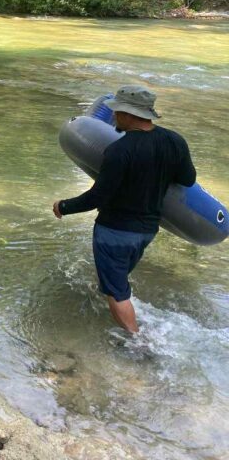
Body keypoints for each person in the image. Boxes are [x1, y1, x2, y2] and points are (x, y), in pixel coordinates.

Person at [52, 85, 196, 333]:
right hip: (147, 231)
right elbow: (187, 179)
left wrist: (63, 206)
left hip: (114, 231)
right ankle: (116, 301)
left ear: (129, 114)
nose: (114, 116)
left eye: (117, 112)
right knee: (116, 281)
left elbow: (97, 196)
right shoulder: (175, 142)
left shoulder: (120, 151)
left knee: (117, 294)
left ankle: (137, 343)